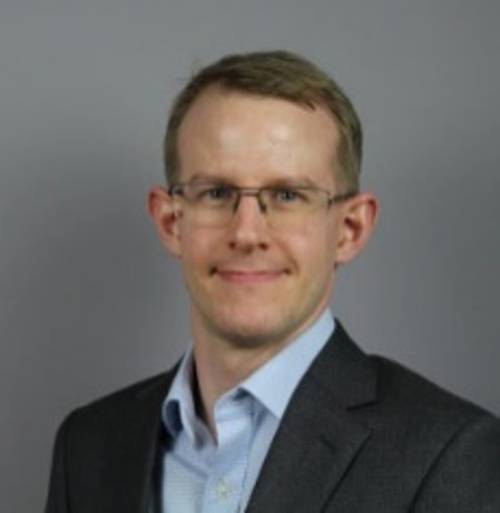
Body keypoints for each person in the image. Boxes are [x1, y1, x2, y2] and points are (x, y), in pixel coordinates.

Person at [45, 50, 500, 513]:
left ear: (350, 229)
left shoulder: (449, 455)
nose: (247, 233)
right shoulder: (88, 445)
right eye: (216, 193)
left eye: (287, 195)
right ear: (170, 221)